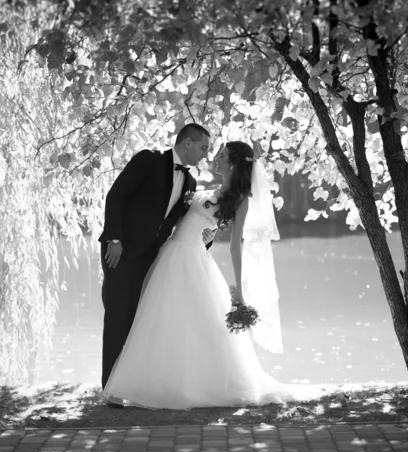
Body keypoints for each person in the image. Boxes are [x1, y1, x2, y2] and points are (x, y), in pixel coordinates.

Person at [103, 141, 321, 408]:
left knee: (186, 323)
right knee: (161, 320)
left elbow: (234, 246)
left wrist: (238, 290)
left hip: (190, 261)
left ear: (234, 162)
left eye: (221, 155)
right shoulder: (208, 189)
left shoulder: (240, 199)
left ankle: (194, 384)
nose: (215, 159)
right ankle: (161, 380)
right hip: (169, 255)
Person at [99, 124, 211, 392]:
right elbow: (117, 195)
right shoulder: (148, 160)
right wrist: (115, 239)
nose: (205, 154)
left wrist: (204, 241)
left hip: (153, 258)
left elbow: (179, 224)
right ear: (187, 143)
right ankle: (110, 388)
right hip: (121, 252)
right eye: (203, 147)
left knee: (142, 320)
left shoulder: (190, 182)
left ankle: (131, 383)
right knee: (118, 316)